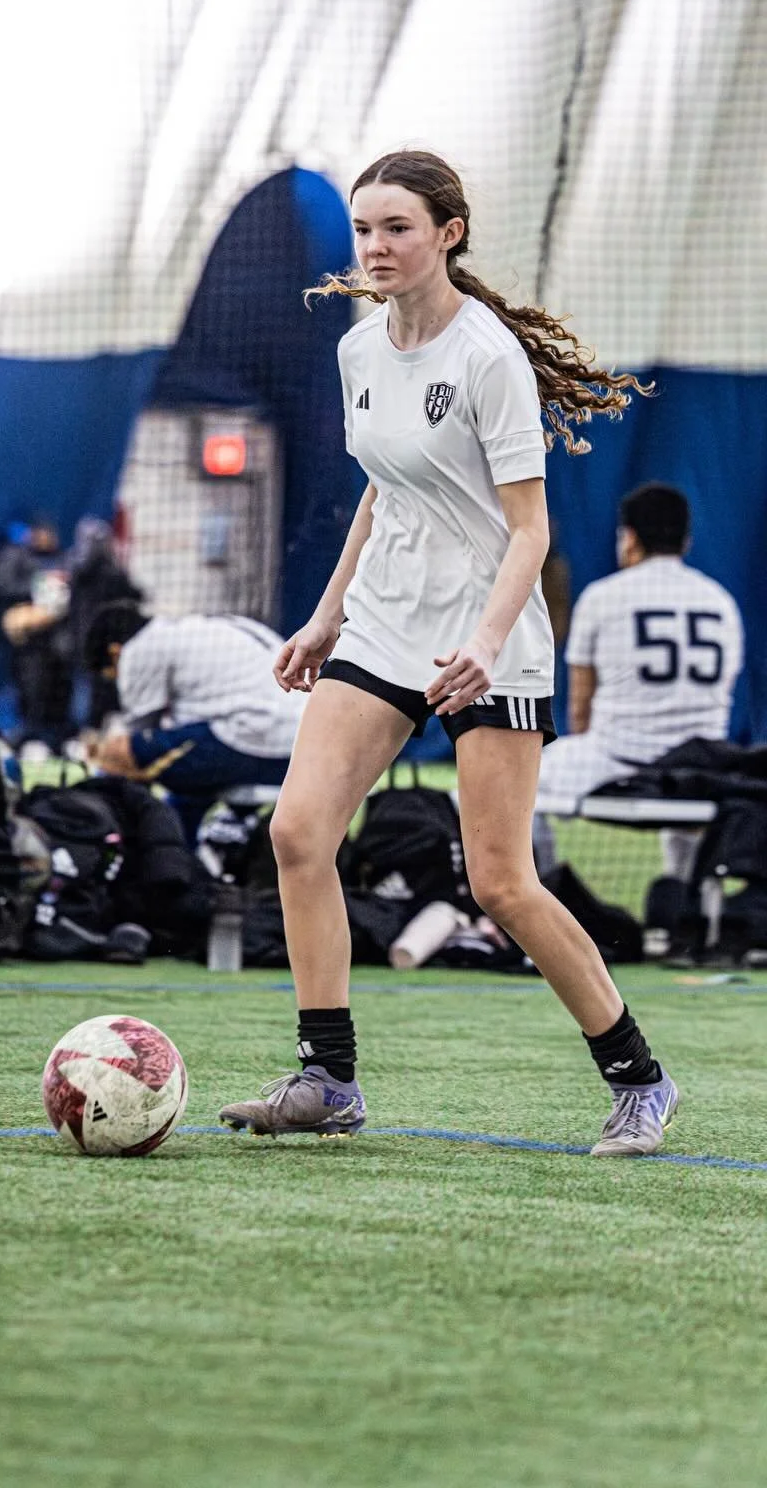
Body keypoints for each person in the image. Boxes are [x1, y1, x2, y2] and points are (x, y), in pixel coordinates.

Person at [218, 150, 676, 1158]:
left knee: (501, 883)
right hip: (385, 621)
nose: (376, 248)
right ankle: (328, 1079)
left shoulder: (487, 358)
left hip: (491, 636)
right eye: (365, 230)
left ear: (448, 234)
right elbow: (382, 495)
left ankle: (640, 1077)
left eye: (398, 229)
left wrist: (481, 642)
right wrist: (326, 614)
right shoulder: (358, 352)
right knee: (298, 834)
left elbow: (529, 534)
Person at [534, 482, 743, 880]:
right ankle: (683, 904)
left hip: (613, 761)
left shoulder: (602, 596)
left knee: (509, 787)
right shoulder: (721, 602)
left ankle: (541, 896)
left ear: (629, 538)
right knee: (687, 799)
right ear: (685, 541)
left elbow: (580, 710)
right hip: (700, 766)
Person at [83, 601, 302, 840]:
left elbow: (132, 743)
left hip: (259, 739)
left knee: (125, 753)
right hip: (299, 748)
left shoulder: (138, 648)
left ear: (115, 653)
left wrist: (103, 755)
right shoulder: (191, 628)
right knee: (183, 770)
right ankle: (191, 844)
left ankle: (107, 836)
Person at [0, 516, 75, 752]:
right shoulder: (15, 556)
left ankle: (56, 741)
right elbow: (3, 586)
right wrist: (40, 586)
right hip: (28, 644)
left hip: (58, 644)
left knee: (58, 693)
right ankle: (27, 739)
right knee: (29, 692)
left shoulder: (62, 559)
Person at [66, 516, 144, 727]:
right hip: (101, 640)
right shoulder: (108, 573)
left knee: (89, 688)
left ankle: (85, 732)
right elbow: (136, 595)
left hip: (87, 640)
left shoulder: (76, 570)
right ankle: (90, 730)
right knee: (93, 690)